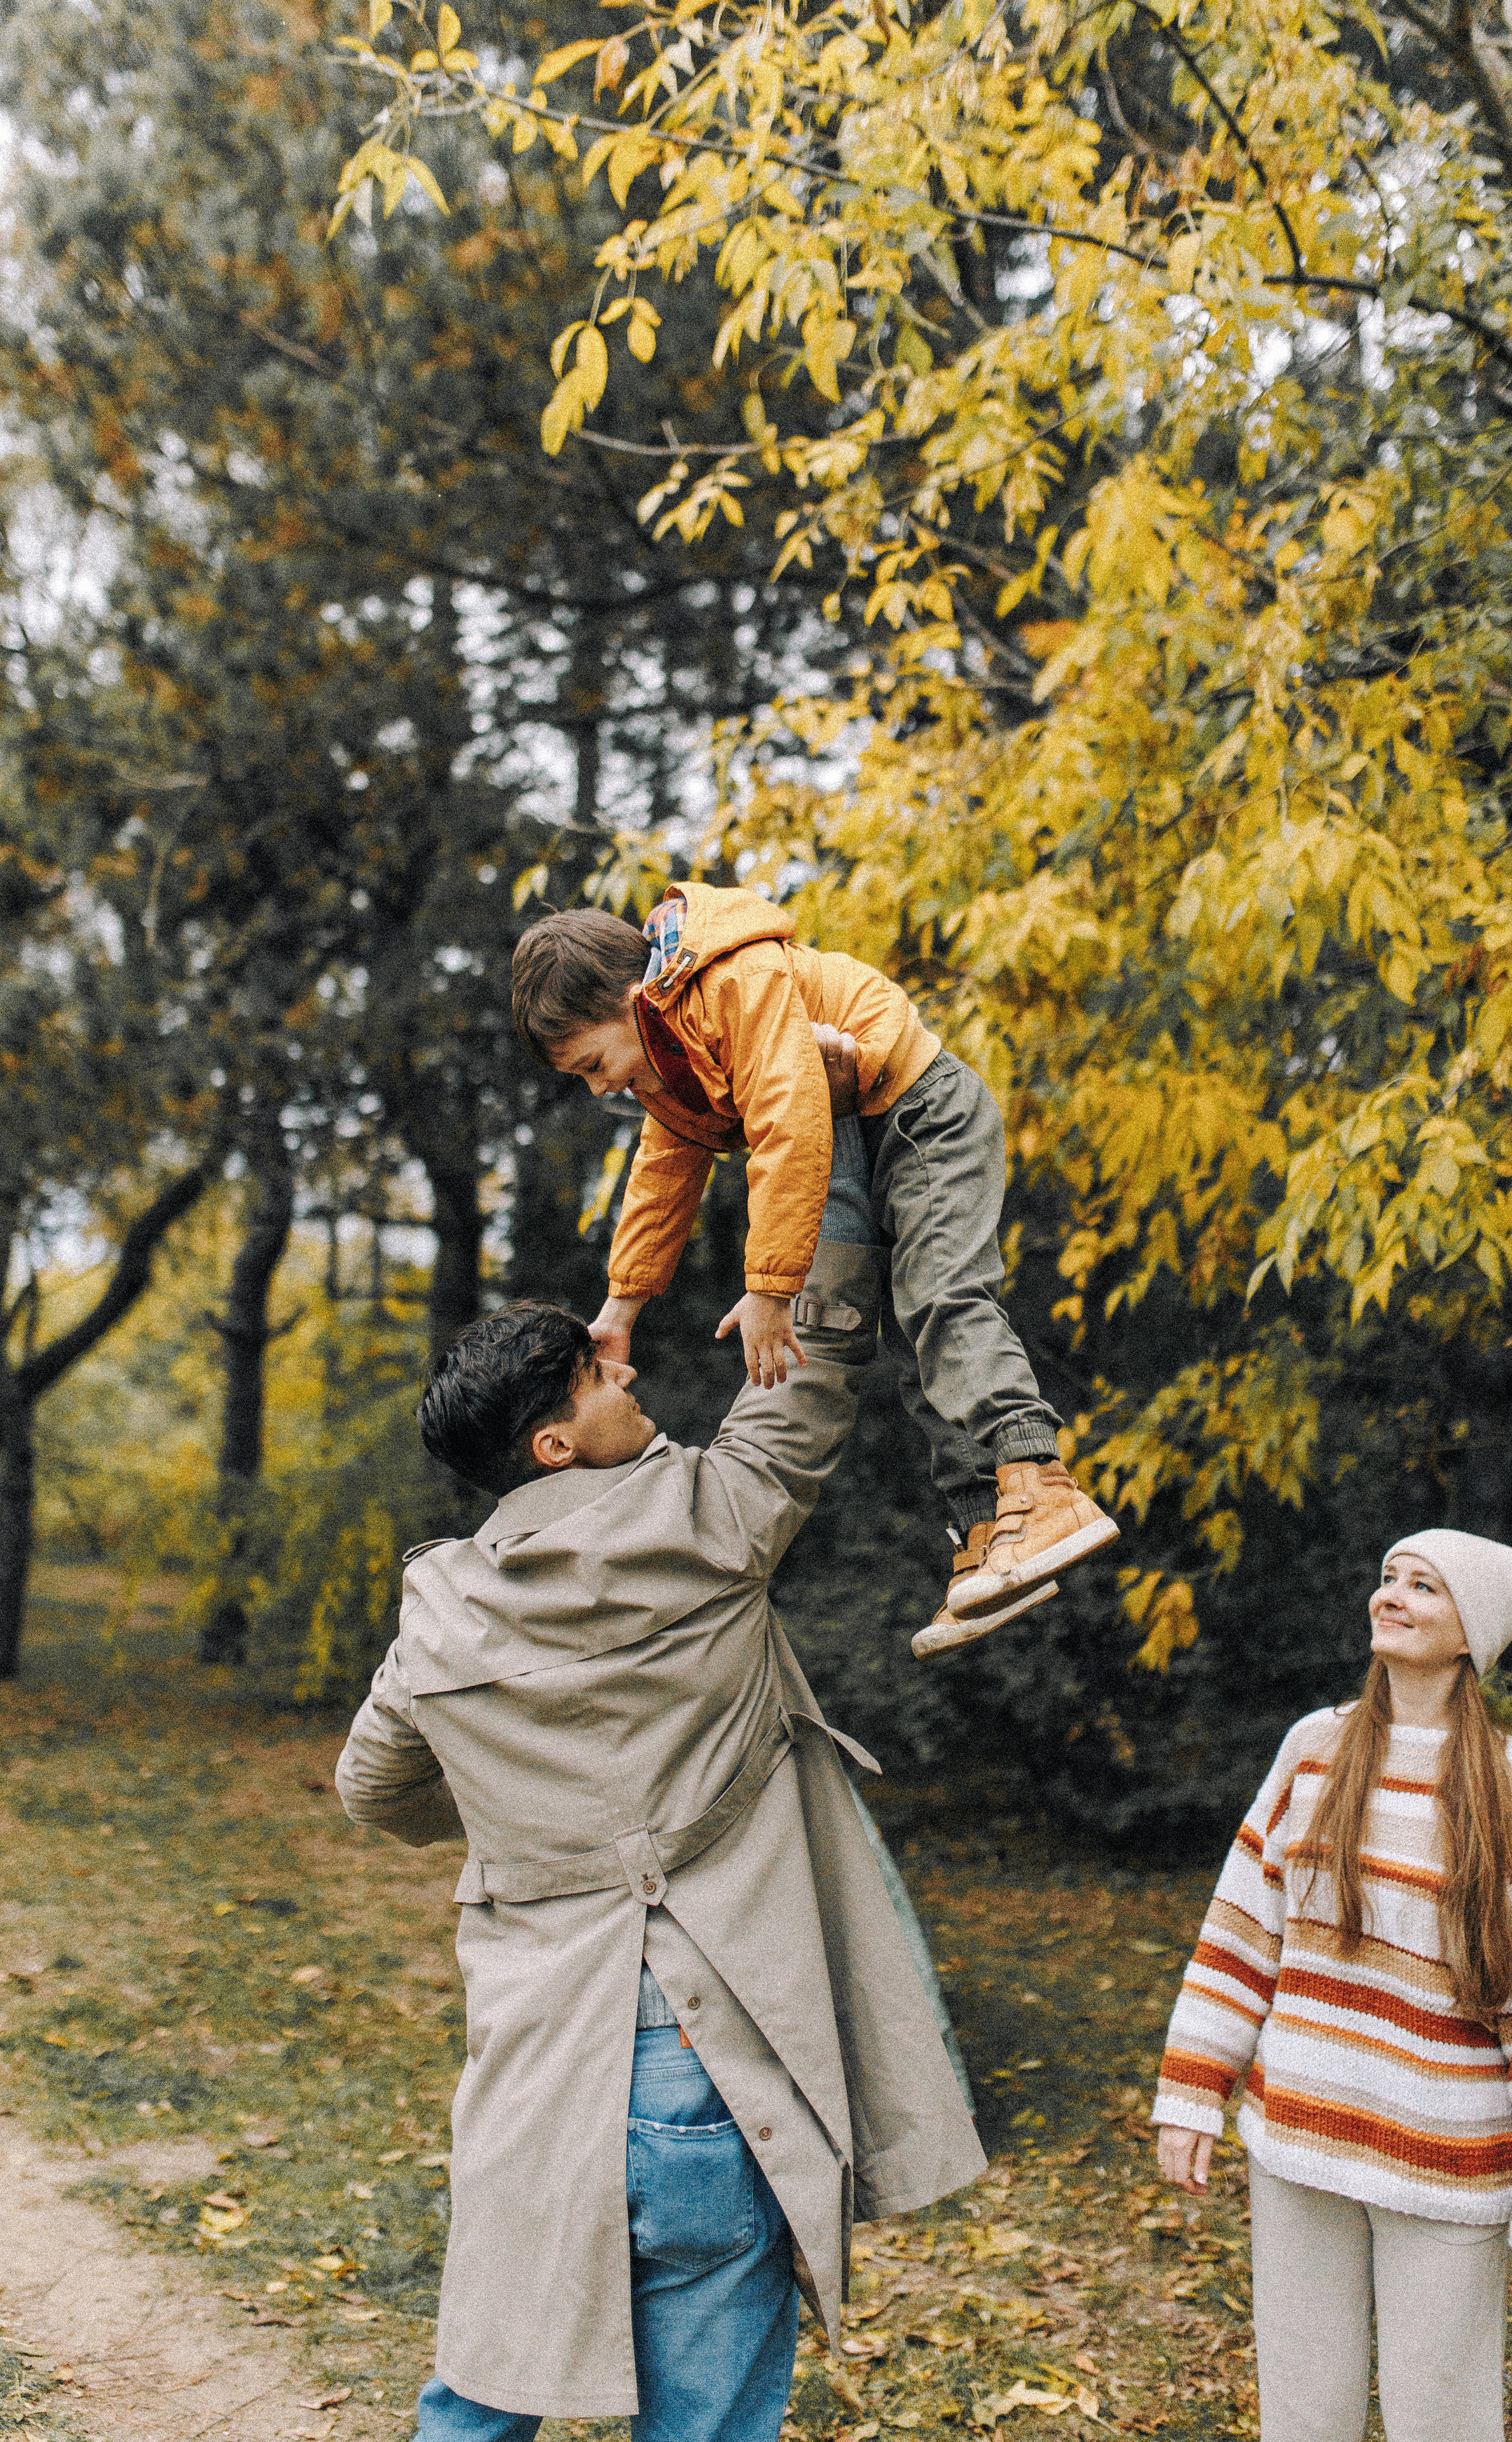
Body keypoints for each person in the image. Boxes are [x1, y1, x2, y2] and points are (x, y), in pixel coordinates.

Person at [333, 1072, 986, 2442]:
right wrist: (840, 1174)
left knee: (484, 2380)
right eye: (594, 1369)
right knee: (707, 2416)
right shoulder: (710, 1519)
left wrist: (525, 1822)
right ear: (556, 1439)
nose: (622, 1365)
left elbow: (373, 1790)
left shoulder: (439, 1606)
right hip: (712, 2050)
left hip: (537, 2058)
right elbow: (817, 1371)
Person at [510, 881, 1118, 1655]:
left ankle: (1039, 1480)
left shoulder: (733, 981)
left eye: (595, 1062)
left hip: (921, 1111)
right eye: (583, 1079)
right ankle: (989, 1531)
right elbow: (662, 1176)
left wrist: (769, 1289)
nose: (599, 1087)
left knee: (942, 1298)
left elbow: (790, 1122)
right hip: (858, 1129)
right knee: (910, 1336)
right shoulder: (666, 1056)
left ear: (635, 999)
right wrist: (620, 1311)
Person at [1151, 1529, 1512, 2442]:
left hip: (1447, 2164)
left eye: (1423, 1587)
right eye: (1387, 1577)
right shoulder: (1316, 1748)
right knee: (1304, 2415)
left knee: (1442, 2421)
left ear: (1471, 1631)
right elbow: (1243, 1928)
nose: (1390, 1596)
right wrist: (1193, 2091)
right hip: (1299, 2143)